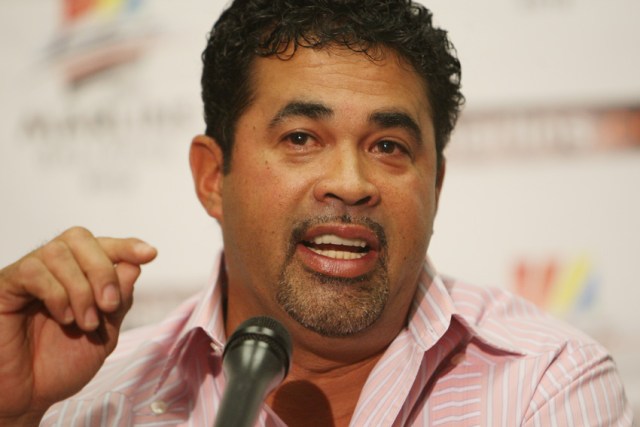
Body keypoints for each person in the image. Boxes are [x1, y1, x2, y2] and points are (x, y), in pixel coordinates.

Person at [0, 0, 633, 425]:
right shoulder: (91, 400)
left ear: (436, 184)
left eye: (389, 146)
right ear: (213, 176)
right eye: (301, 138)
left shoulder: (546, 385)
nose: (350, 184)